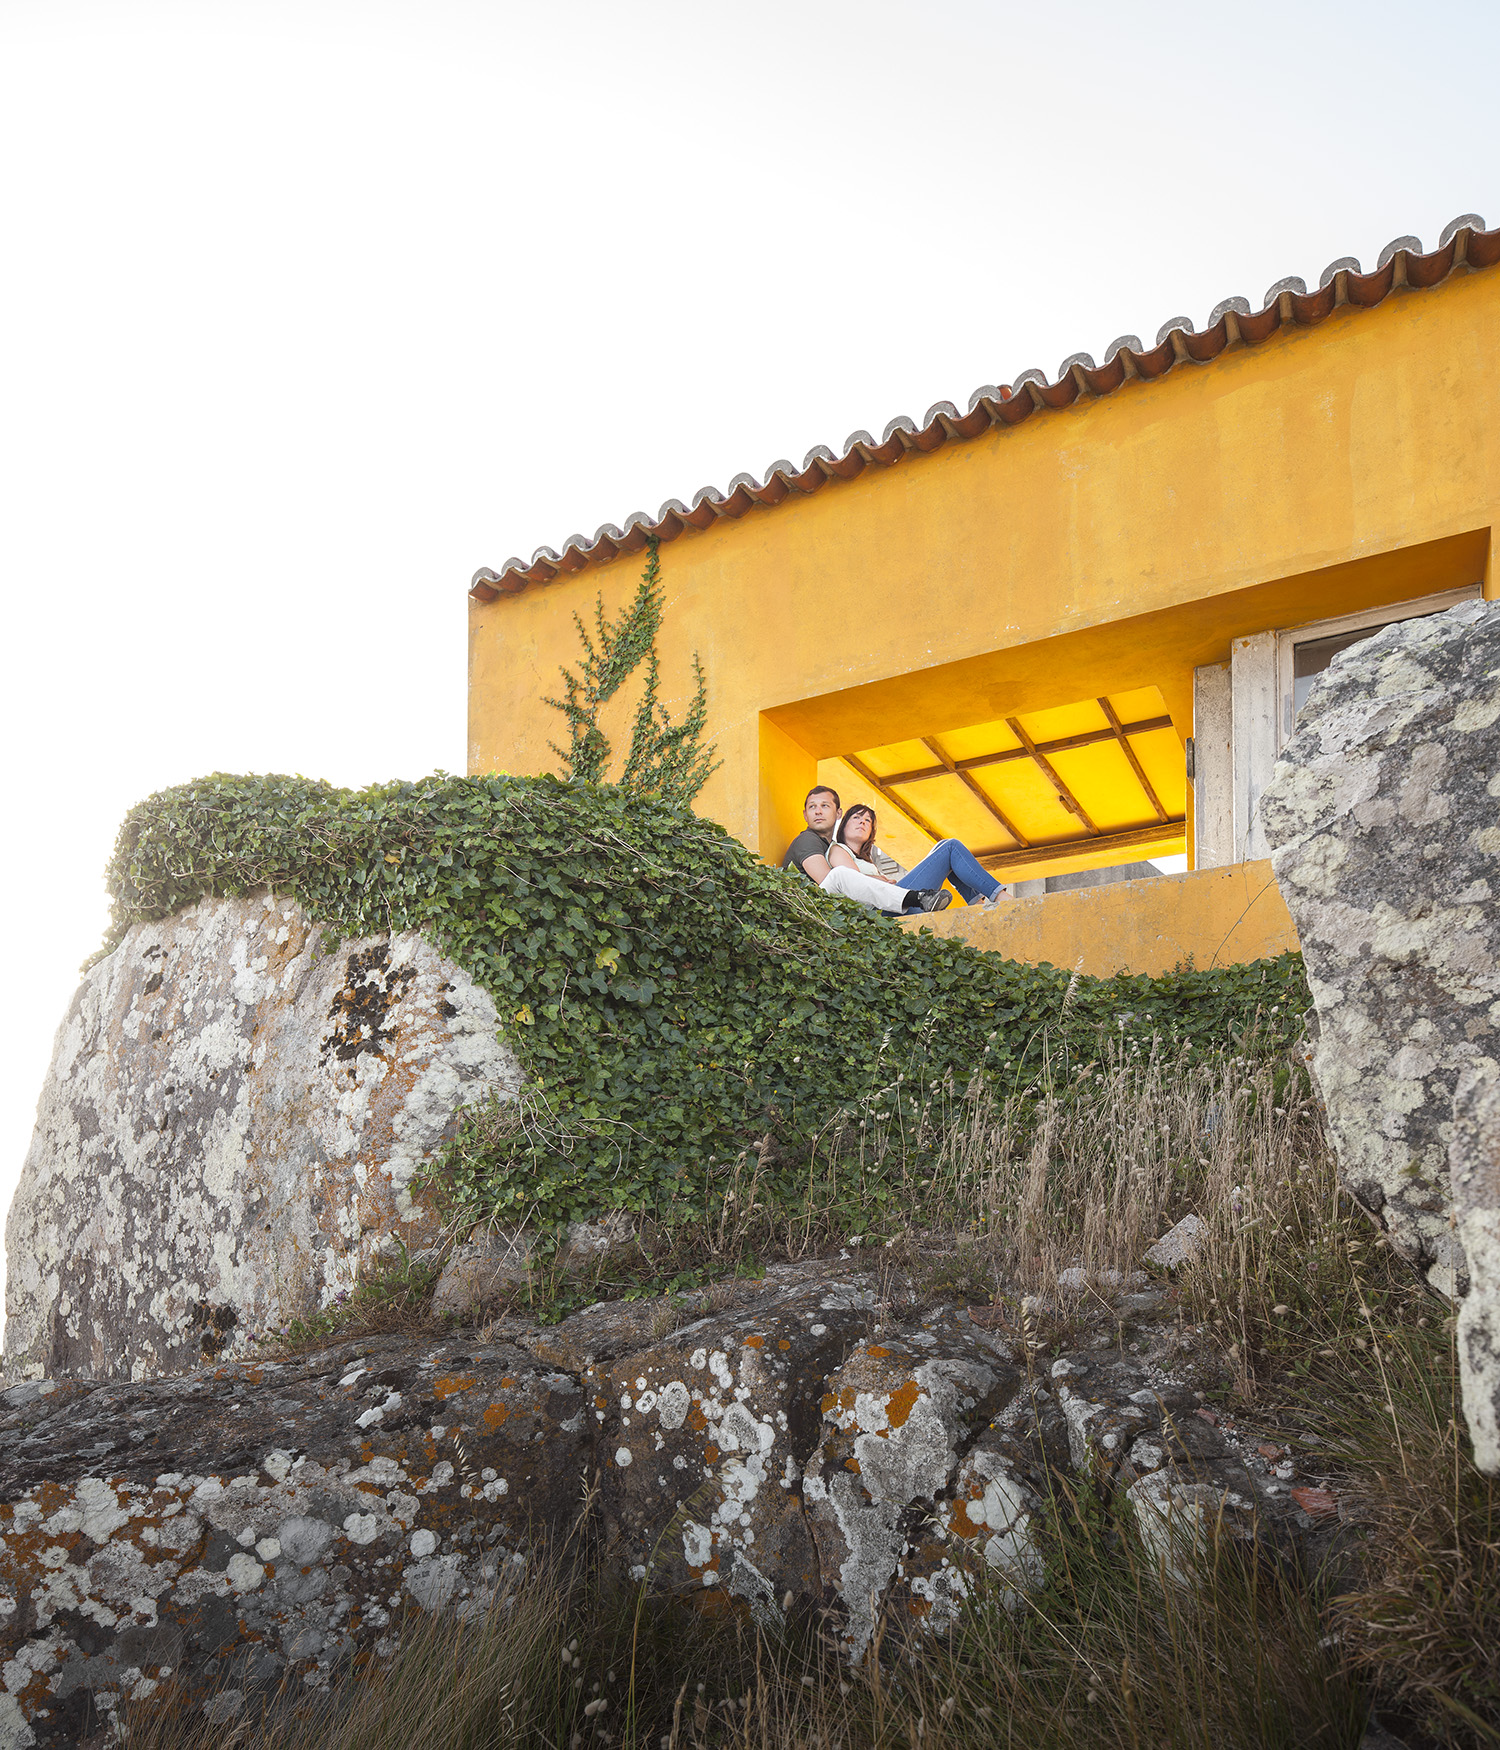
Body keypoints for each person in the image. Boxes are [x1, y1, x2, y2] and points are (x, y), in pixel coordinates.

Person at [781, 786, 950, 914]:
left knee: (947, 849)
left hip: (832, 909)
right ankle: (917, 898)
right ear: (805, 815)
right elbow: (827, 879)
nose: (818, 811)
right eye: (812, 807)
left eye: (825, 806)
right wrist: (877, 880)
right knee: (839, 874)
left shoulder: (828, 845)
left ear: (838, 813)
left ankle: (932, 899)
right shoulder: (807, 840)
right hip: (808, 910)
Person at [833, 804, 1006, 909]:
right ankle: (1000, 896)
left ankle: (976, 904)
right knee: (950, 848)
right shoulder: (838, 849)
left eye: (868, 820)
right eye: (856, 817)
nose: (862, 822)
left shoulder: (867, 861)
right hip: (885, 911)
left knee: (943, 850)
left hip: (896, 903)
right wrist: (880, 879)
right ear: (844, 824)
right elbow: (851, 882)